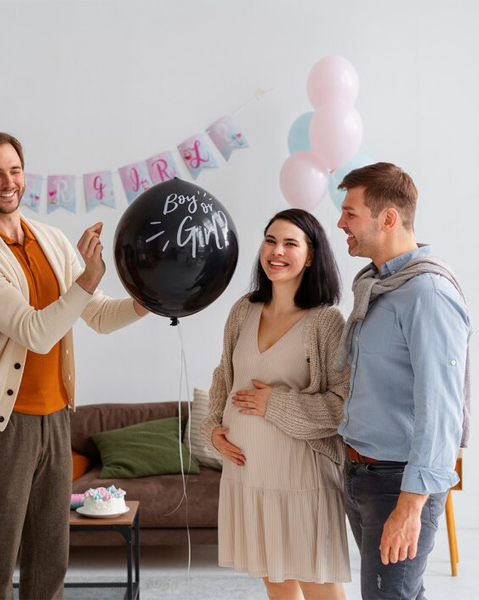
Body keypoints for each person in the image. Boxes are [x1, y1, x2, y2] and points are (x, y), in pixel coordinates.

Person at [0, 131, 148, 599]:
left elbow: (95, 314)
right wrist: (87, 279)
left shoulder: (51, 239)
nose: (8, 181)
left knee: (50, 560)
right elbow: (35, 333)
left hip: (56, 416)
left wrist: (147, 299)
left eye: (14, 170)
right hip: (1, 425)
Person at [336, 162, 470, 599]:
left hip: (398, 484)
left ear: (388, 218)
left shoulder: (426, 293)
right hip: (361, 471)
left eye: (351, 213)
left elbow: (442, 409)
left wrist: (410, 507)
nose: (341, 223)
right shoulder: (376, 285)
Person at [201, 208, 350, 600]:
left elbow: (341, 405)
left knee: (317, 580)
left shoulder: (326, 321)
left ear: (311, 255)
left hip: (302, 478)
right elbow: (223, 377)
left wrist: (276, 405)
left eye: (289, 243)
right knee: (276, 581)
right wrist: (213, 429)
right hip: (248, 475)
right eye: (270, 240)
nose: (276, 251)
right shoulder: (243, 310)